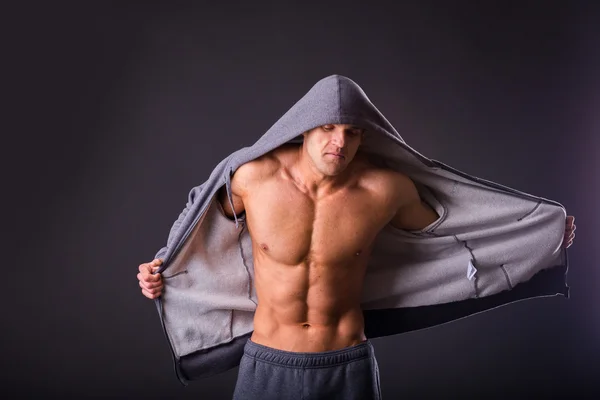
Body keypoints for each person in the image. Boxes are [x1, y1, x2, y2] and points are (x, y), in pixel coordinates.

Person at [137, 122, 577, 399]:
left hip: (346, 364)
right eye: (328, 128)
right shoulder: (253, 178)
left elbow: (455, 234)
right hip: (269, 362)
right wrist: (162, 267)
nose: (339, 142)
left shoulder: (386, 189)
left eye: (351, 132)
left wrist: (539, 234)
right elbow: (200, 228)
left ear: (364, 135)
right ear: (304, 128)